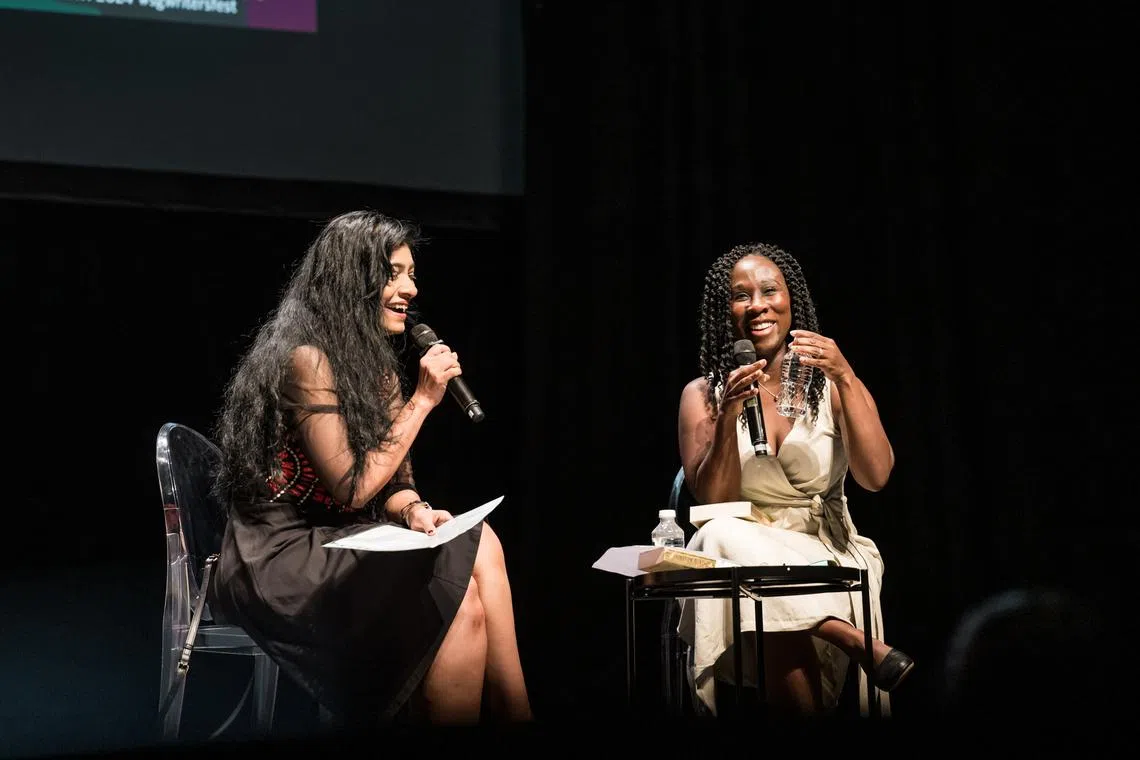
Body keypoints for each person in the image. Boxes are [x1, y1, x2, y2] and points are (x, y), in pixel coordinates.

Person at [209, 209, 533, 729]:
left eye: (412, 274)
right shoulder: (305, 360)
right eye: (393, 273)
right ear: (351, 280)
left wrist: (416, 511)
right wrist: (423, 400)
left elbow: (394, 484)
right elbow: (354, 487)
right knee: (461, 586)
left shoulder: (376, 369)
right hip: (280, 554)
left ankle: (517, 715)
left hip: (343, 539)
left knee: (469, 582)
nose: (411, 288)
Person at [675, 241, 913, 717]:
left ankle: (829, 627)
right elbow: (714, 500)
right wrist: (729, 415)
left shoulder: (831, 381)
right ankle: (846, 635)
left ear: (791, 299)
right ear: (725, 311)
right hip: (749, 553)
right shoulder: (704, 395)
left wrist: (846, 377)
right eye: (740, 296)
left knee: (742, 571)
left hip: (824, 549)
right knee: (722, 536)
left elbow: (876, 477)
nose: (757, 305)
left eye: (769, 291)